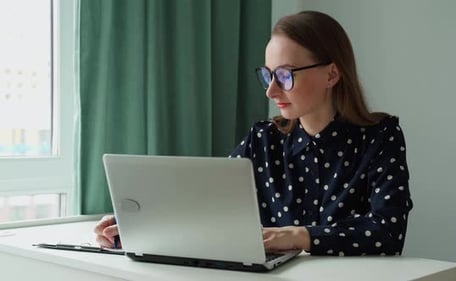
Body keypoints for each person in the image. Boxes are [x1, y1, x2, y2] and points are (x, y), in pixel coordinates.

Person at [95, 10, 413, 256]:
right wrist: (133, 226)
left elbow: (387, 232)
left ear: (331, 74)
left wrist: (302, 235)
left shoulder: (380, 138)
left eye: (285, 76)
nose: (271, 90)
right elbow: (204, 203)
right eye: (267, 75)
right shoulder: (263, 140)